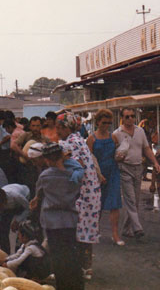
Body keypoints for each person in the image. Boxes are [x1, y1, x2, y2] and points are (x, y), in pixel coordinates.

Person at [56, 112, 101, 281]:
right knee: (86, 231)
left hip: (82, 193)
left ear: (66, 128)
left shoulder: (69, 143)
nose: (57, 130)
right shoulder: (78, 139)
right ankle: (86, 267)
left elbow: (78, 166)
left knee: (77, 231)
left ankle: (80, 267)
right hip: (90, 192)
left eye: (59, 127)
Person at [34, 142, 83, 290]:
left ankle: (62, 286)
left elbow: (39, 195)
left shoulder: (44, 176)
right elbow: (77, 194)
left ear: (47, 160)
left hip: (51, 222)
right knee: (71, 256)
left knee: (57, 257)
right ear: (62, 156)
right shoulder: (73, 176)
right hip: (69, 221)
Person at [113, 107, 160, 239]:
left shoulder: (140, 132)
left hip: (138, 168)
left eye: (132, 116)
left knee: (135, 200)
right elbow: (113, 153)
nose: (130, 119)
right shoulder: (117, 133)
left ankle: (126, 229)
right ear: (122, 118)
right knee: (130, 199)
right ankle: (137, 227)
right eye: (127, 116)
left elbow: (146, 148)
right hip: (124, 168)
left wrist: (155, 162)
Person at [86, 109, 124, 246]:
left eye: (108, 123)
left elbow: (118, 153)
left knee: (115, 204)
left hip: (113, 171)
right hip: (97, 173)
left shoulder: (113, 137)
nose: (106, 125)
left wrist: (120, 156)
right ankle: (95, 230)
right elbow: (89, 159)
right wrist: (98, 175)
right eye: (103, 123)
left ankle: (115, 234)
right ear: (97, 122)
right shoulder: (91, 139)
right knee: (97, 204)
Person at [0, 184, 30, 254]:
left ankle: (19, 252)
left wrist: (18, 220)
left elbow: (28, 209)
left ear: (5, 202)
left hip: (24, 197)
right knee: (2, 228)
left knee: (20, 229)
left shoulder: (16, 196)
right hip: (10, 204)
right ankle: (5, 254)